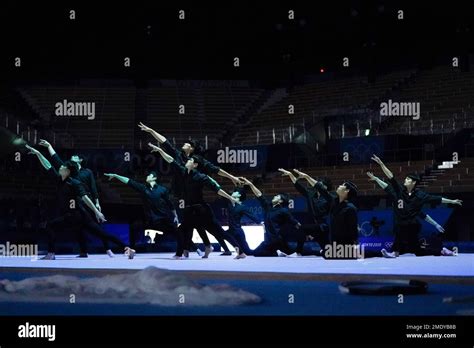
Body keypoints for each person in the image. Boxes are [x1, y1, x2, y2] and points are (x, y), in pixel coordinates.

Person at [140, 122, 243, 256]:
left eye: (188, 143)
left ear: (192, 149)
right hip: (183, 195)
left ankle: (195, 249)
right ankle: (193, 249)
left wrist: (231, 178)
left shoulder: (198, 163)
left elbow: (215, 170)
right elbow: (166, 144)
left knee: (204, 227)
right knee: (191, 225)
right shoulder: (179, 158)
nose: (184, 143)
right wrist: (151, 131)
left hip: (196, 198)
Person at [25, 144, 135, 260]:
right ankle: (128, 249)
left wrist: (97, 212)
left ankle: (51, 254)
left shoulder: (75, 183)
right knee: (103, 234)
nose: (60, 168)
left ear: (67, 171)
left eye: (62, 167)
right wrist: (38, 153)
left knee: (49, 226)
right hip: (81, 216)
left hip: (74, 215)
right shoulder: (59, 179)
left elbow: (85, 198)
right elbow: (48, 165)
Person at [369, 154, 462, 257]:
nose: (405, 180)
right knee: (418, 251)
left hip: (412, 225)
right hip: (403, 225)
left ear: (413, 182)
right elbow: (390, 178)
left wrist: (452, 201)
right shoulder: (400, 191)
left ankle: (395, 252)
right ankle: (441, 251)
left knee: (403, 231)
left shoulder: (420, 196)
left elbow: (437, 199)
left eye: (408, 179)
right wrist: (381, 164)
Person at [104, 171, 182, 251]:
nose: (147, 176)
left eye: (149, 175)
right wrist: (116, 175)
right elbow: (129, 181)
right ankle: (132, 249)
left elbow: (169, 203)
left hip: (161, 220)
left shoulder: (162, 190)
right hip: (148, 221)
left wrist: (175, 215)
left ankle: (187, 248)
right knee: (134, 226)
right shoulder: (143, 188)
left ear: (154, 178)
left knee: (177, 231)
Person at [291, 169, 360, 259]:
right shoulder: (333, 201)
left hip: (347, 245)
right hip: (335, 243)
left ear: (347, 191)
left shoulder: (350, 208)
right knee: (326, 254)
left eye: (342, 185)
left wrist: (354, 243)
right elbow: (320, 188)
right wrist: (307, 177)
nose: (339, 186)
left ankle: (357, 252)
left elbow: (353, 230)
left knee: (352, 254)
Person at [239, 177, 301, 257]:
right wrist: (250, 184)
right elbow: (259, 194)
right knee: (254, 253)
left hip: (276, 240)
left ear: (281, 201)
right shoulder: (268, 207)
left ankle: (278, 252)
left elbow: (294, 222)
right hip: (267, 240)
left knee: (297, 252)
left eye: (277, 196)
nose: (274, 196)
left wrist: (305, 232)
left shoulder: (283, 211)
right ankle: (277, 253)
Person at [279, 168, 331, 256]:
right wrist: (291, 175)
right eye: (318, 185)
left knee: (329, 251)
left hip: (324, 226)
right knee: (326, 251)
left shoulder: (330, 198)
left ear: (326, 187)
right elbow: (299, 186)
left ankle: (298, 252)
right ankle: (299, 252)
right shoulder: (311, 195)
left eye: (321, 185)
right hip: (315, 226)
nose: (318, 186)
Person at [223, 187, 261, 255]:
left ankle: (265, 249)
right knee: (220, 234)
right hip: (230, 230)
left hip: (238, 232)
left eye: (235, 192)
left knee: (248, 252)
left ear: (239, 195)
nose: (233, 193)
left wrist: (260, 222)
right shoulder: (230, 204)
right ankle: (227, 251)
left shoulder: (242, 207)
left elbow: (252, 216)